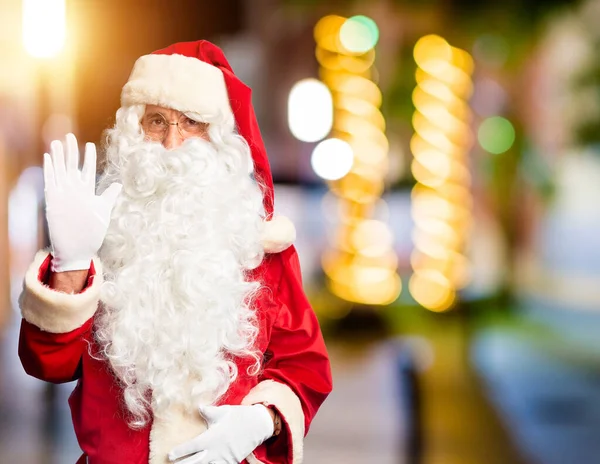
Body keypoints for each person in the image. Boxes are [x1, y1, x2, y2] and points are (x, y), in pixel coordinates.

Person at [18, 40, 332, 464]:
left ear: (220, 139)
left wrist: (261, 420)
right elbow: (48, 365)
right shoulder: (103, 239)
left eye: (192, 123)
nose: (171, 144)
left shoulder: (259, 248)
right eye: (157, 121)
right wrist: (71, 264)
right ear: (134, 131)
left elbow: (306, 367)